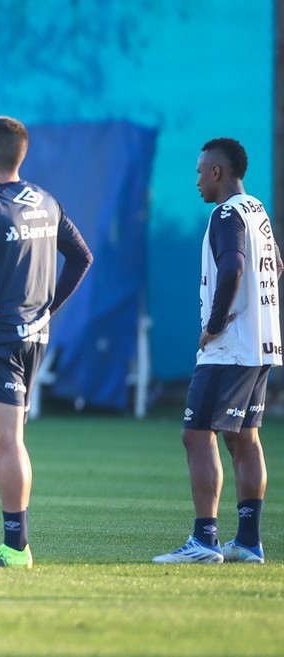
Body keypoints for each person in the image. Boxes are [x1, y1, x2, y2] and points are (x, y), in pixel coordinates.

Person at [0, 116, 93, 567]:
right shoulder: (46, 201)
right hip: (32, 335)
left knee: (7, 441)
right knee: (3, 440)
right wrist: (48, 309)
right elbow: (81, 257)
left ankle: (16, 549)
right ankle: (14, 545)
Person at [154, 138, 282, 564]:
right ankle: (247, 542)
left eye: (199, 170)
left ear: (217, 172)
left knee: (196, 434)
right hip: (262, 344)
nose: (196, 180)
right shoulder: (257, 210)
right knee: (244, 437)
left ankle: (205, 541)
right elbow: (276, 266)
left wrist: (215, 324)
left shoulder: (225, 213)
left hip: (229, 349)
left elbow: (233, 267)